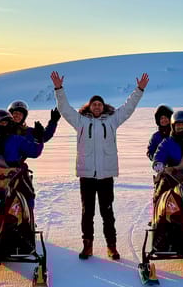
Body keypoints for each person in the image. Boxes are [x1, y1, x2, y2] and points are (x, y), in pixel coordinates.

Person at [51, 70, 148, 261]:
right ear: (89, 106)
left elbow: (128, 108)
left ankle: (111, 246)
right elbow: (64, 108)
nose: (97, 106)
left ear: (103, 107)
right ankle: (88, 246)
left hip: (105, 176)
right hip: (87, 176)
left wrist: (139, 90)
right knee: (87, 213)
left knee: (107, 212)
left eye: (99, 104)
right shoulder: (80, 121)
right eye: (94, 104)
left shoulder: (112, 120)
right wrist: (58, 88)